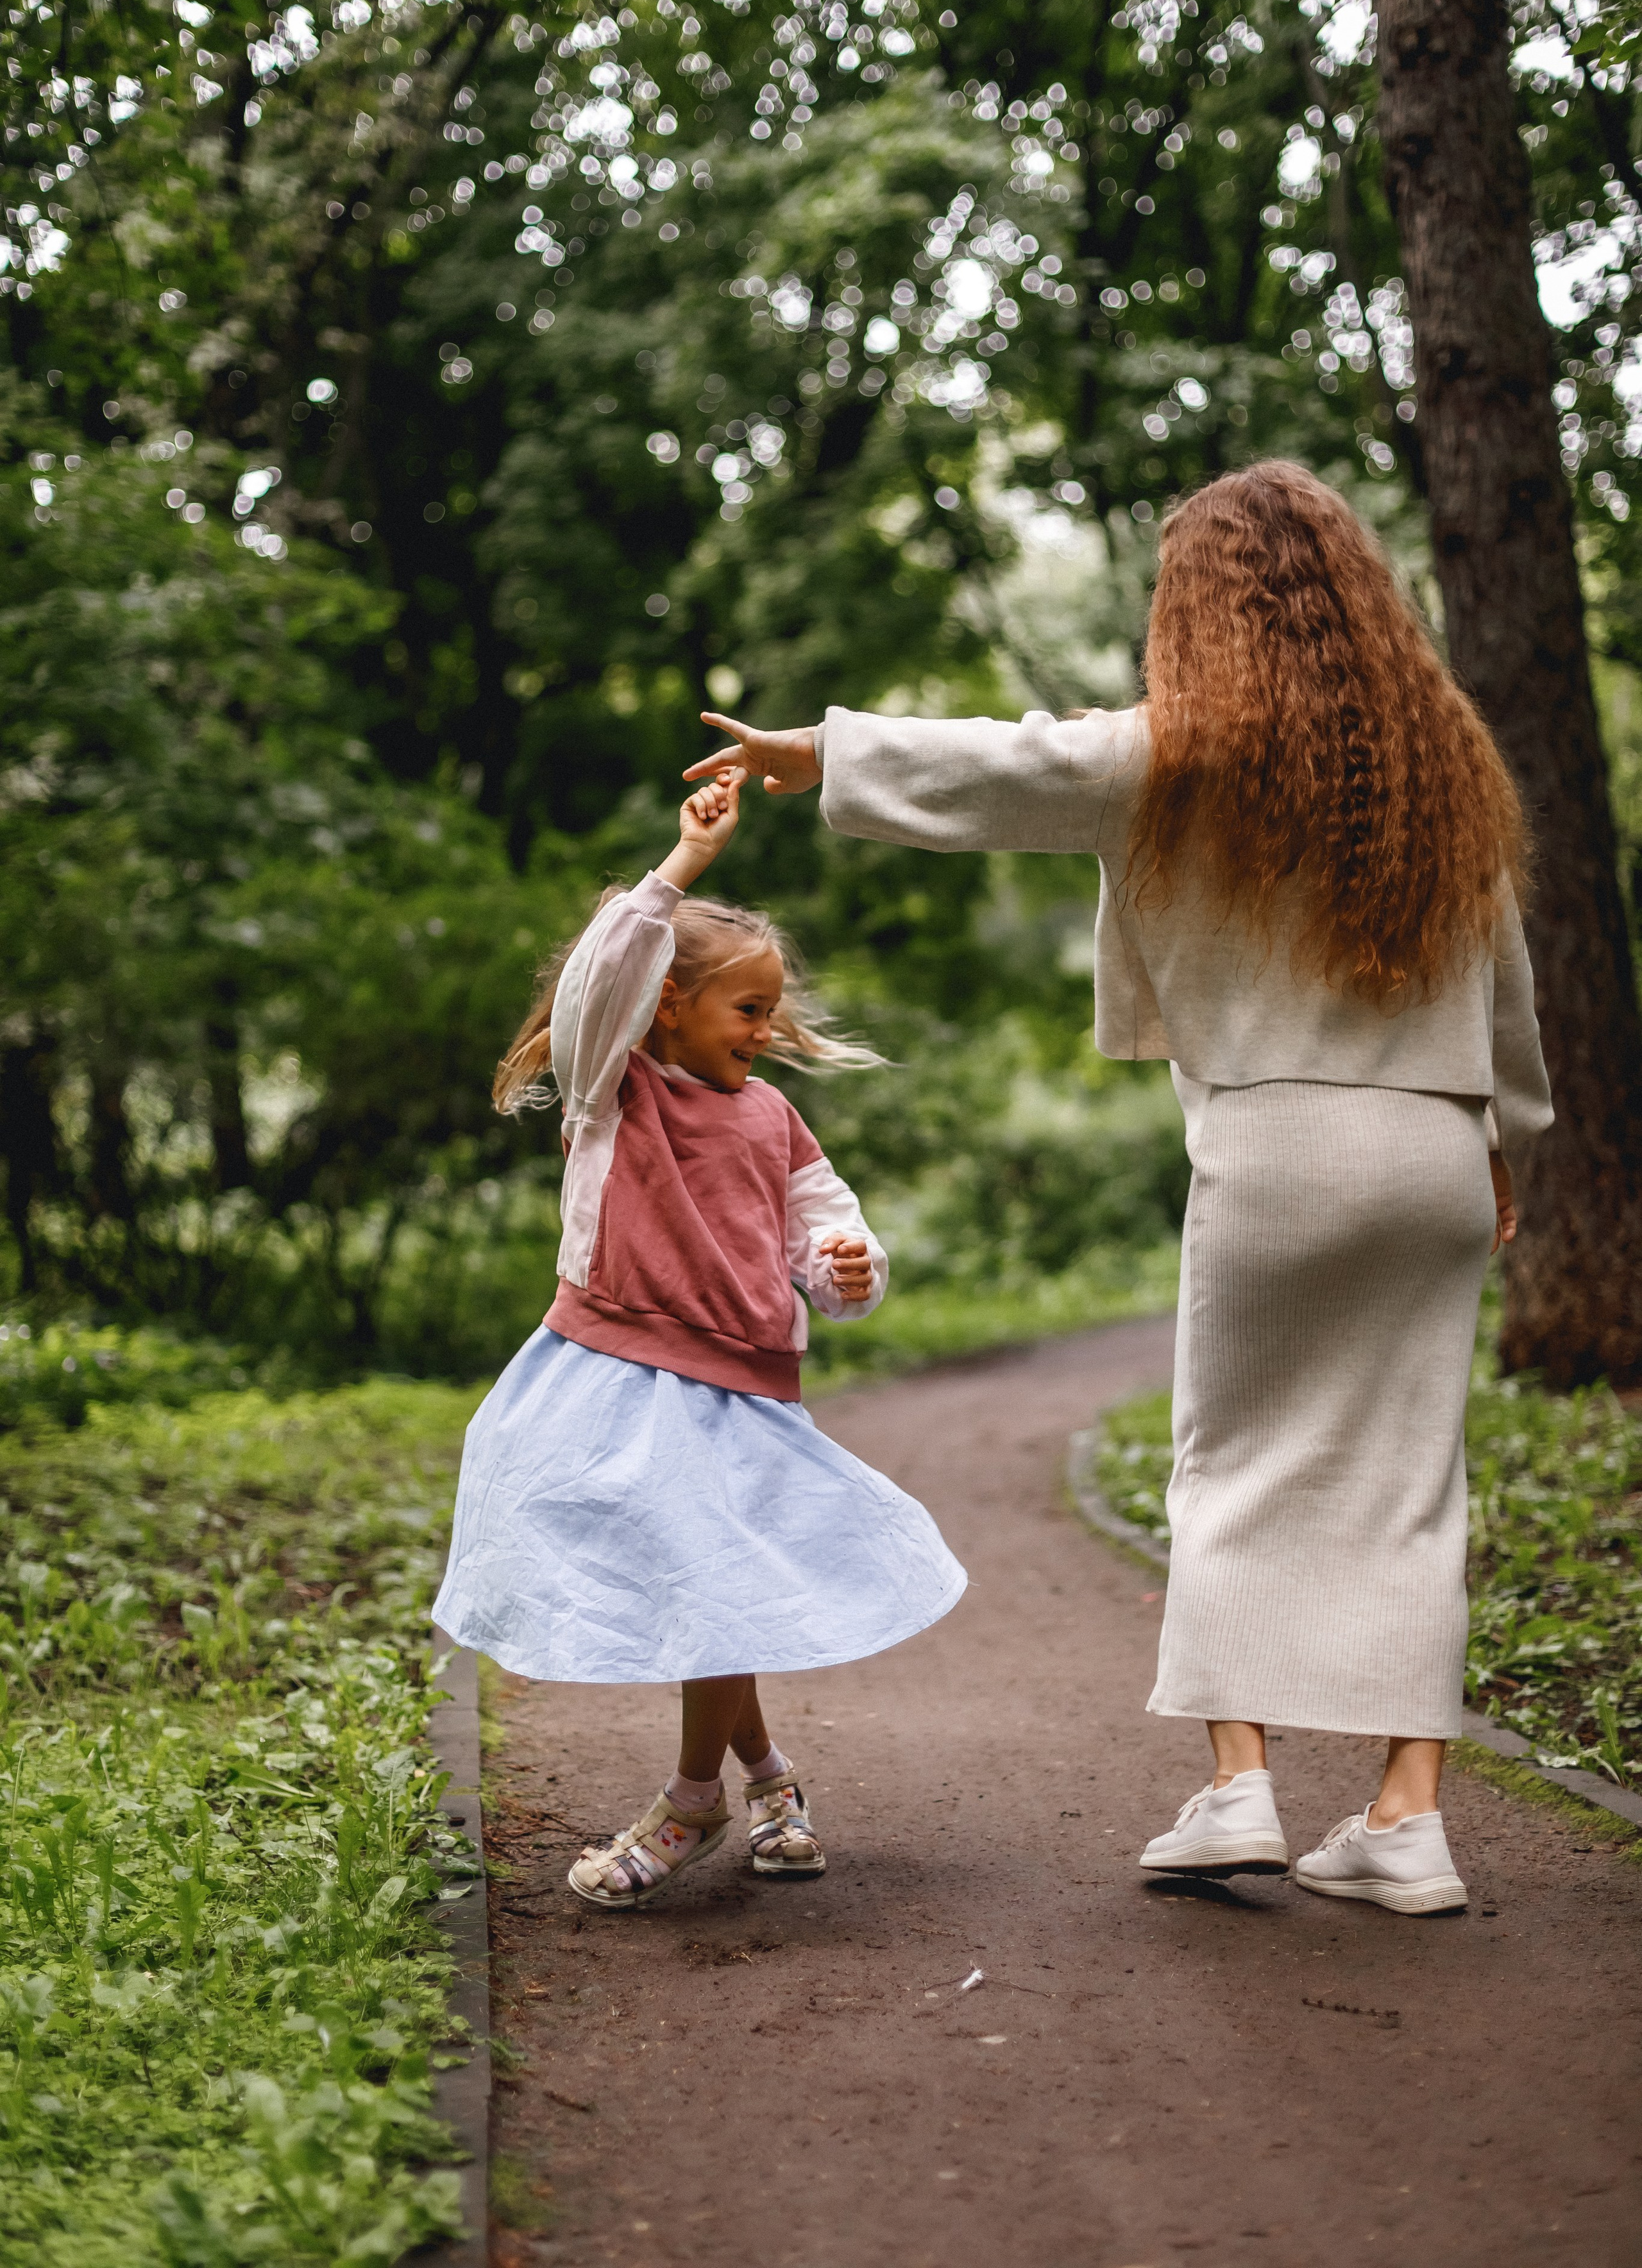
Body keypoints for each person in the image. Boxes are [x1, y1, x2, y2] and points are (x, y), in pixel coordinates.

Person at [686, 459, 1553, 1919]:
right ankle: (1407, 1822)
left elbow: (999, 766)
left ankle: (1238, 1789)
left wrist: (817, 753)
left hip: (1276, 1150)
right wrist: (1504, 1138)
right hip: (1431, 1149)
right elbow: (1508, 986)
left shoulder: (1169, 757)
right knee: (1415, 1482)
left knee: (1232, 1461)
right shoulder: (1440, 769)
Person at [432, 766, 965, 1911]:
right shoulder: (610, 1090)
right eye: (748, 1011)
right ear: (668, 1003)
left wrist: (848, 1270)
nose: (767, 1033)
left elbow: (825, 1228)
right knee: (706, 1581)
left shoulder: (774, 1117)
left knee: (718, 1583)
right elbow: (597, 983)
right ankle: (765, 1780)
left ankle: (695, 1800)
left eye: (773, 1012)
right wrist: (681, 869)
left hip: (739, 1389)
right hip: (612, 1367)